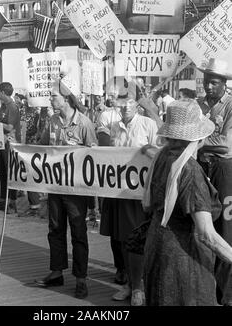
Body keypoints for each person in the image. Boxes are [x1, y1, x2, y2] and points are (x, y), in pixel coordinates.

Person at [142, 99, 232, 306]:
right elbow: (207, 234)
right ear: (199, 138)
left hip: (157, 250)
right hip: (184, 261)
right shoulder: (190, 171)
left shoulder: (162, 157)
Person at [34, 78, 97, 299]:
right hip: (54, 187)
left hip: (77, 190)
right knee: (55, 230)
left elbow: (95, 156)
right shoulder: (52, 121)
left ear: (67, 98)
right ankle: (56, 272)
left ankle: (81, 279)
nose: (50, 99)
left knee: (79, 233)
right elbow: (42, 146)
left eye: (54, 96)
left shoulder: (85, 123)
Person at [98, 94, 159, 306]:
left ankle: (140, 286)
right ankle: (130, 284)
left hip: (141, 193)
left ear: (137, 105)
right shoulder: (114, 126)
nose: (125, 107)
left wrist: (148, 151)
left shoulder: (148, 124)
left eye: (129, 103)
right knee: (122, 238)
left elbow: (161, 154)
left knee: (139, 238)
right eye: (121, 104)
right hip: (120, 191)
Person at [196, 58, 232, 306]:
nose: (209, 86)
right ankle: (206, 287)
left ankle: (226, 293)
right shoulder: (197, 105)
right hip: (201, 167)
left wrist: (197, 141)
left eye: (214, 82)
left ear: (224, 84)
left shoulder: (230, 105)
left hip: (225, 170)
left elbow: (227, 144)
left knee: (225, 230)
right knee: (201, 226)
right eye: (207, 81)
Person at [0, 82, 21, 214]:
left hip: (10, 143)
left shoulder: (12, 107)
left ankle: (12, 202)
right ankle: (3, 199)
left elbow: (10, 127)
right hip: (0, 142)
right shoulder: (4, 107)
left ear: (3, 93)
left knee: (9, 172)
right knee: (2, 172)